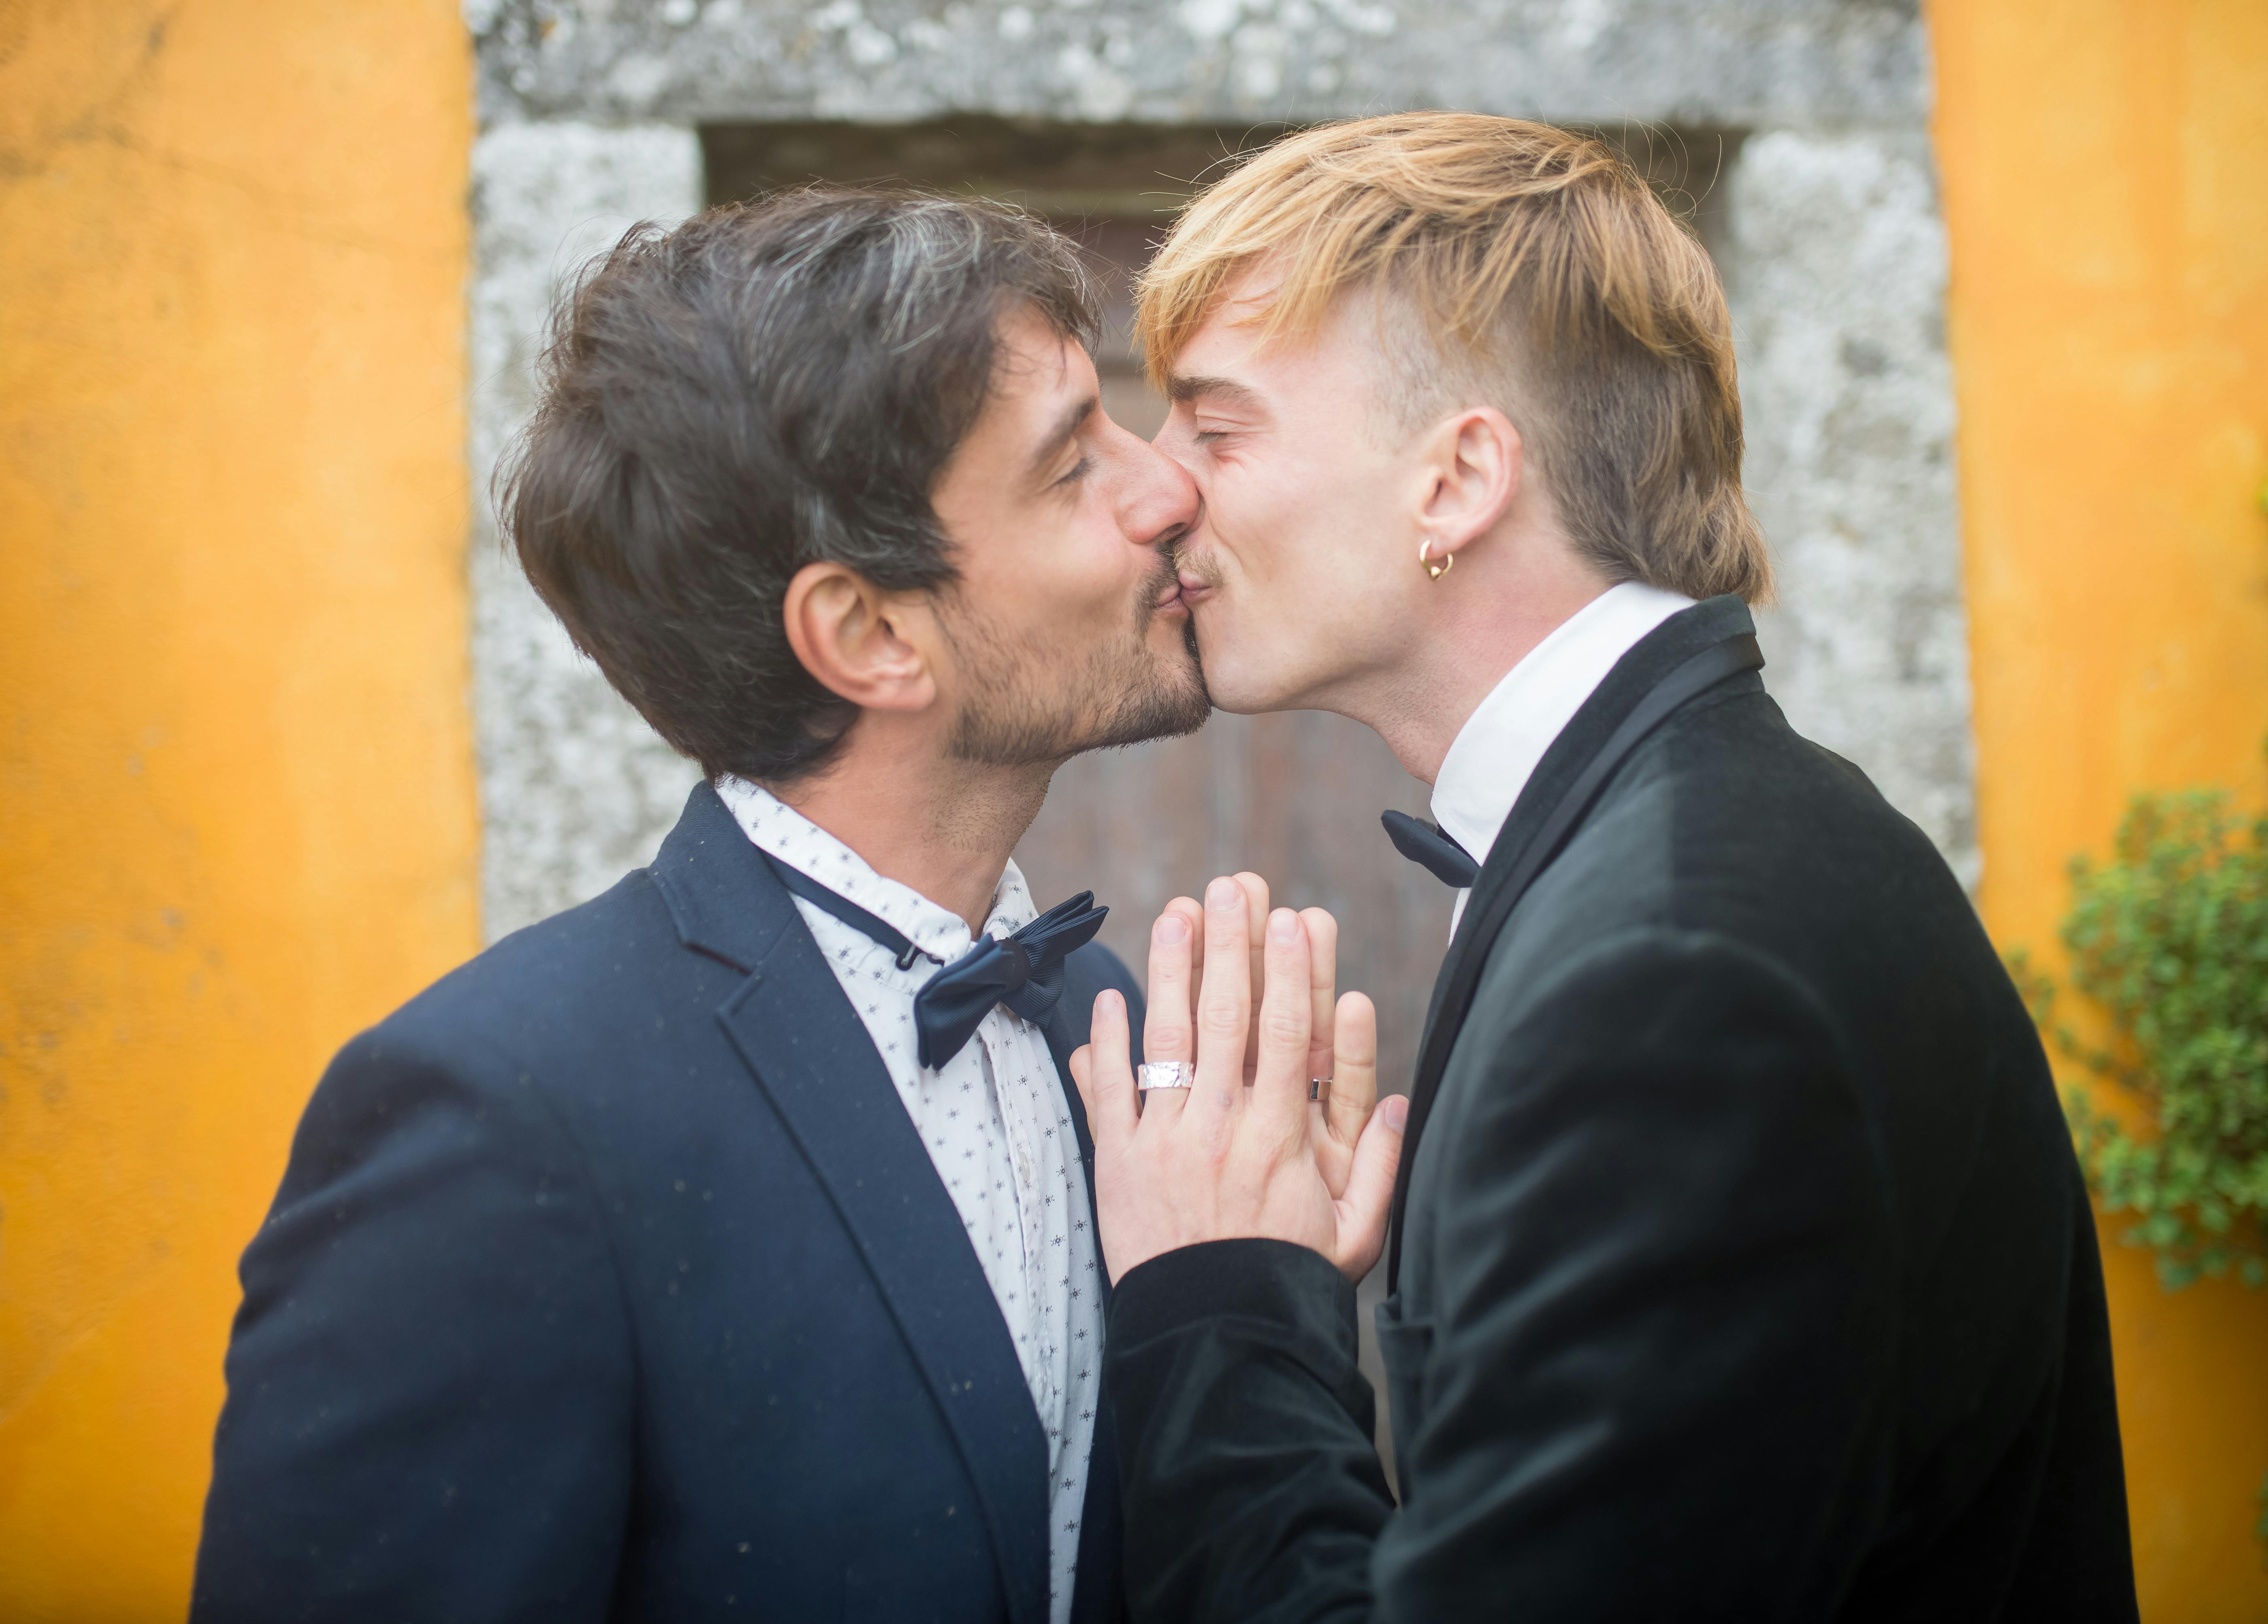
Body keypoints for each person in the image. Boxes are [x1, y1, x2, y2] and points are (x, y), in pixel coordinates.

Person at [1072, 113, 2140, 1620]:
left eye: (1219, 427)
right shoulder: (1729, 834)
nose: (1163, 489)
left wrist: (1219, 1297)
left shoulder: (1675, 984)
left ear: (1457, 482)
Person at [192, 189, 1207, 1623]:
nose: (1165, 487)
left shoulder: (1113, 1029)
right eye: (1068, 467)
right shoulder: (500, 1117)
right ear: (867, 634)